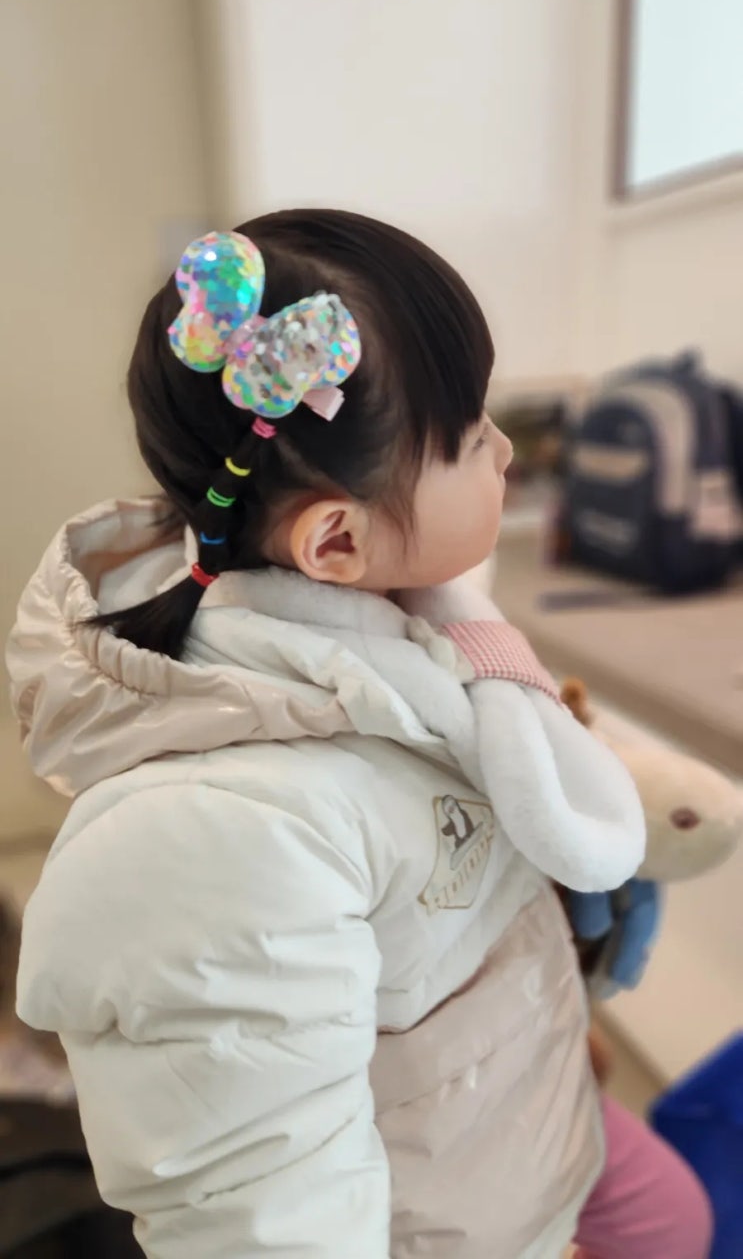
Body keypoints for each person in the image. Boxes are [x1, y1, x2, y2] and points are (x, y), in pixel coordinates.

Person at [9, 211, 712, 1258]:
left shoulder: (410, 620)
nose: (506, 449)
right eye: (470, 437)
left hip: (508, 1096)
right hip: (441, 1216)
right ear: (335, 540)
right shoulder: (211, 837)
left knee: (673, 1216)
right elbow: (262, 1211)